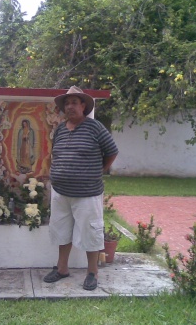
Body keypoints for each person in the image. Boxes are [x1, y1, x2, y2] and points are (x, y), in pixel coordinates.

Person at [43, 86, 118, 291]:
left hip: (87, 193)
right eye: (67, 104)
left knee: (90, 233)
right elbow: (55, 154)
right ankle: (62, 268)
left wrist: (98, 170)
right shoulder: (59, 129)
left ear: (83, 106)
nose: (70, 107)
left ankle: (92, 273)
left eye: (74, 103)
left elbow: (112, 152)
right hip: (61, 192)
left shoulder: (95, 127)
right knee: (61, 231)